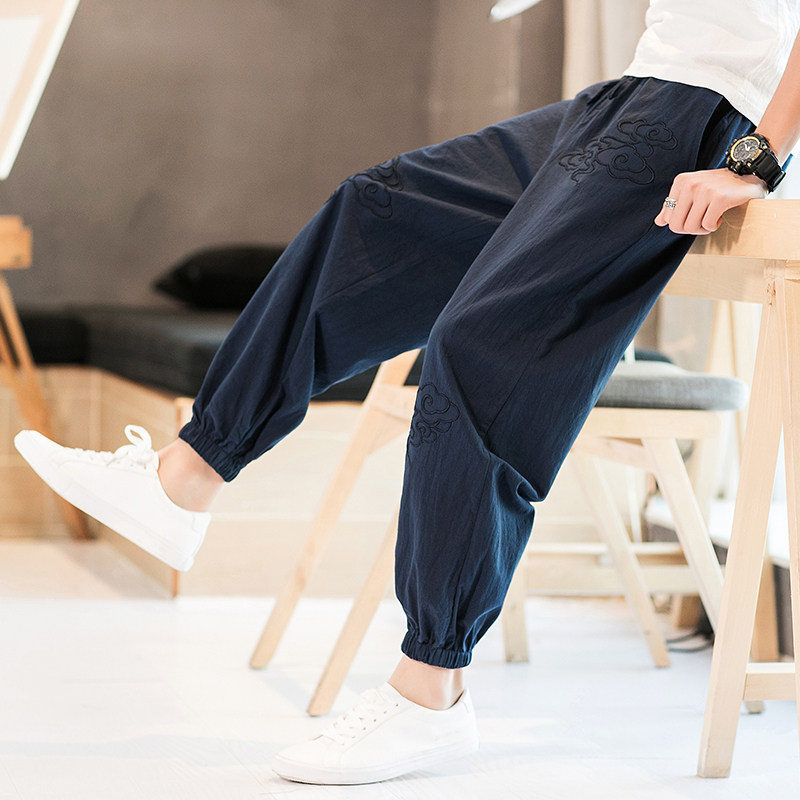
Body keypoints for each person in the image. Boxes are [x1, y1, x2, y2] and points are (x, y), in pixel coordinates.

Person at [14, 0, 800, 786]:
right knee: (375, 210)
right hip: (632, 96)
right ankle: (185, 478)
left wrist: (756, 160)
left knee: (479, 342)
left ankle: (431, 689)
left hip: (705, 114)